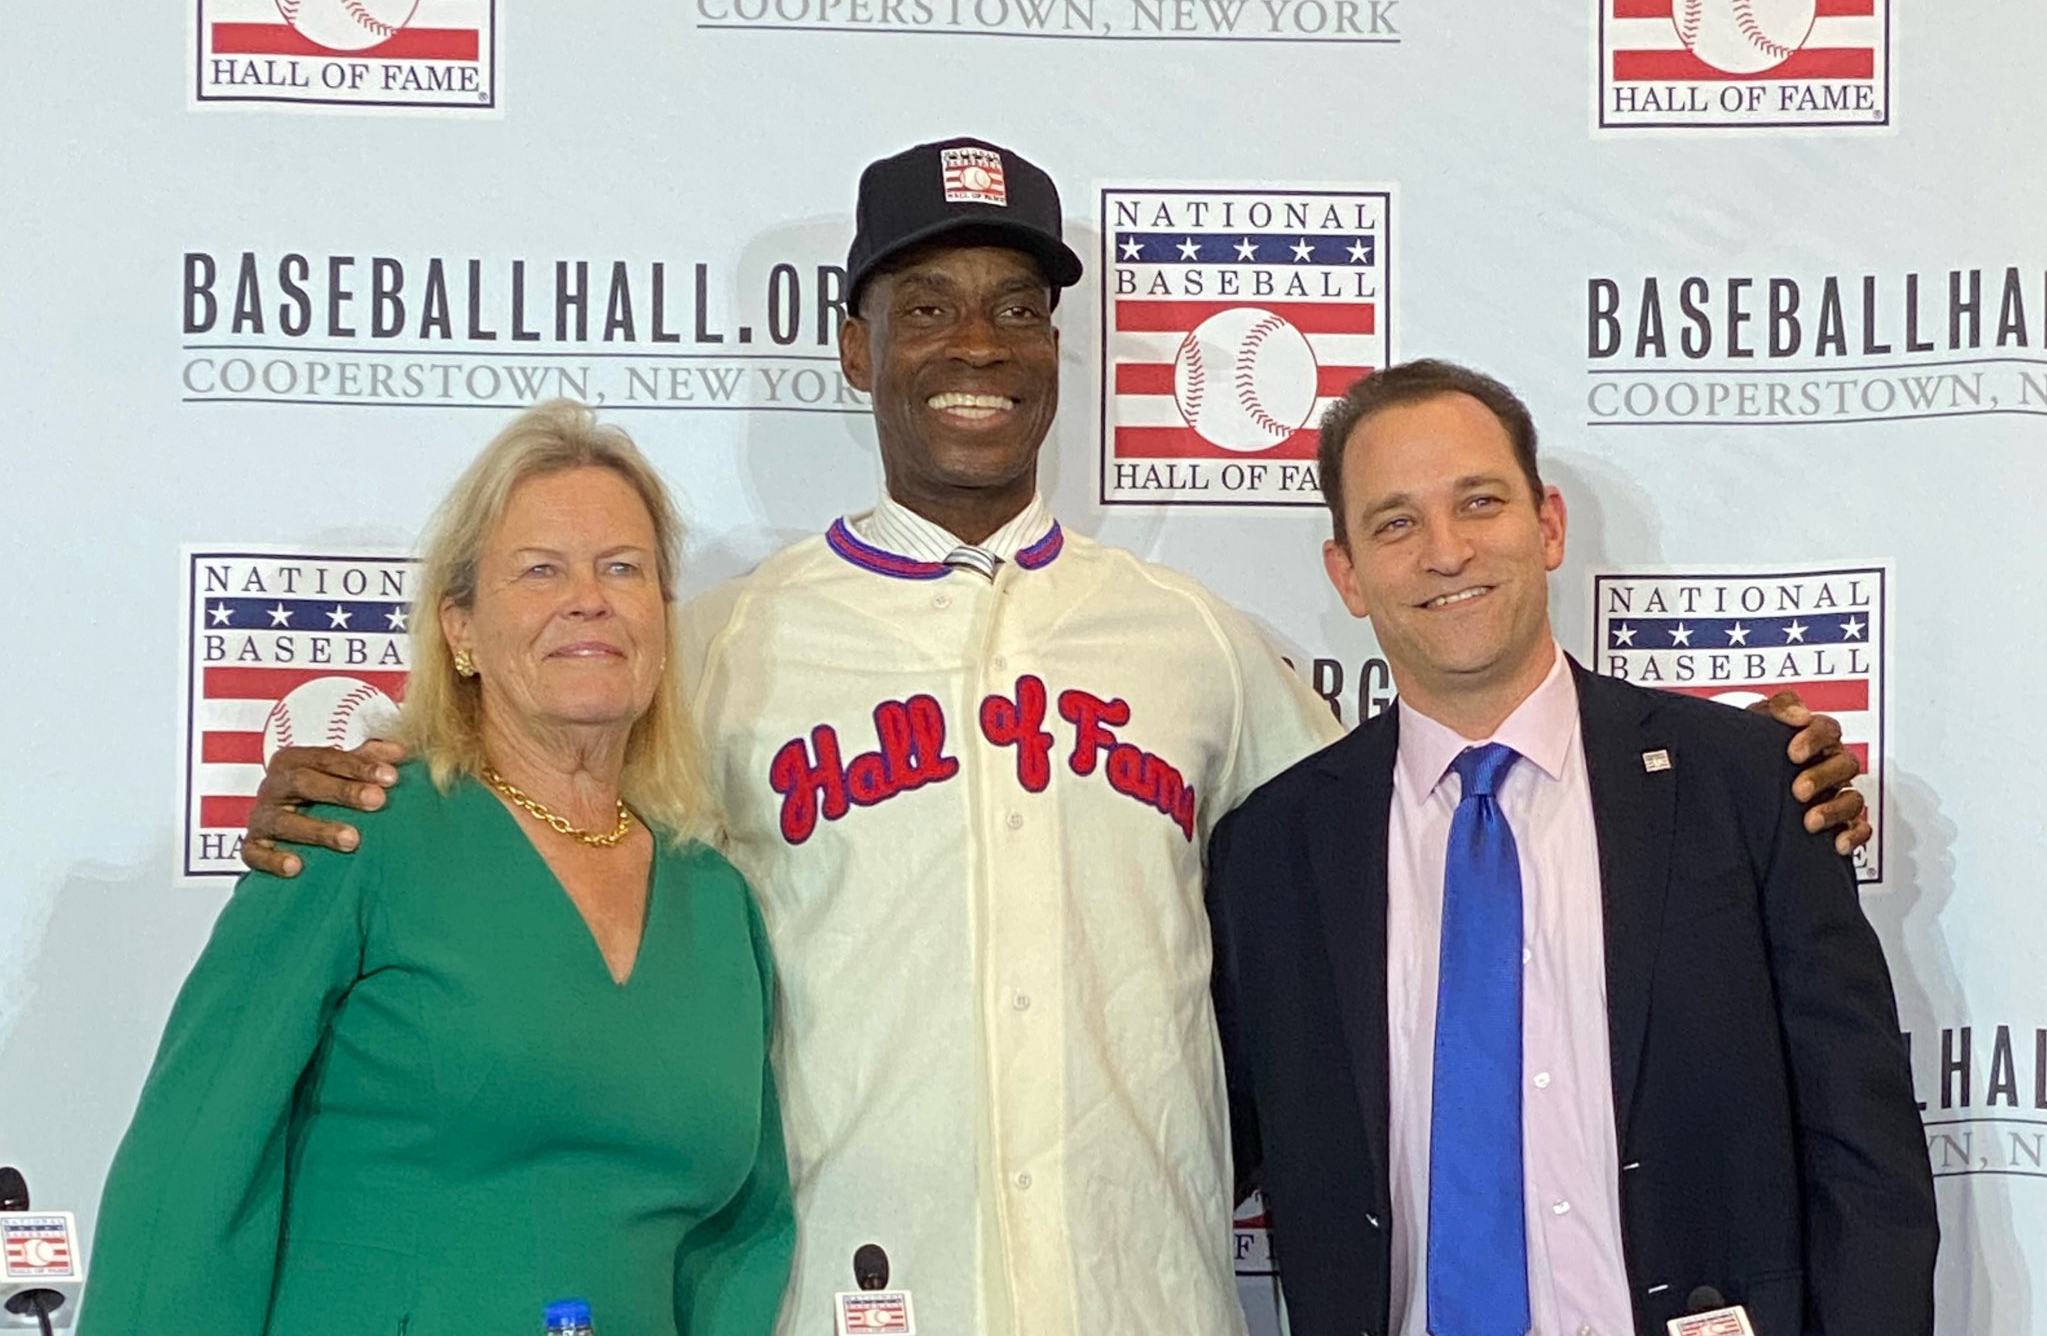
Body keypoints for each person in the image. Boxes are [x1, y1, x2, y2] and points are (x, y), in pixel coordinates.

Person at [236, 141, 1872, 1336]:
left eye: (1018, 310)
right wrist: (376, 782)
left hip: (1139, 1291)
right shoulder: (728, 646)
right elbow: (551, 801)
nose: (976, 348)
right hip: (844, 1296)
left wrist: (1742, 787)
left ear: (1060, 357)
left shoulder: (1192, 647)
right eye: (928, 305)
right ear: (853, 348)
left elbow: (1423, 834)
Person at [1206, 359, 1936, 1336]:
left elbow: (1866, 1157)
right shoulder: (1272, 850)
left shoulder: (1749, 783)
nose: (1446, 551)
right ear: (1346, 573)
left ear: (1546, 524)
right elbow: (1208, 1141)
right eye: (1395, 522)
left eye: (1479, 502)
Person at [85, 404, 793, 1335]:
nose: (590, 597)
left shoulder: (715, 899)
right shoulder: (355, 830)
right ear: (459, 629)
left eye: (622, 568)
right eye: (540, 570)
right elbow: (192, 1169)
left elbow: (740, 1236)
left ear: (661, 624)